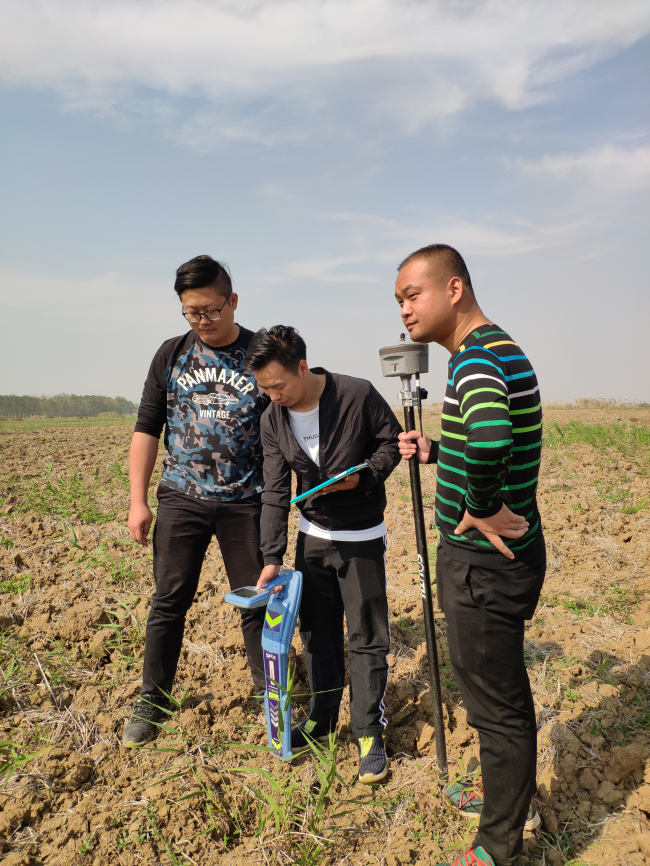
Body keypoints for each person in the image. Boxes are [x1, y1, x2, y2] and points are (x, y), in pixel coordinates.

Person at [394, 245, 545, 866]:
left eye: (412, 295)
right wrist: (438, 453)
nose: (404, 310)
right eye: (399, 301)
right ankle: (506, 794)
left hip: (484, 565)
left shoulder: (476, 359)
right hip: (501, 558)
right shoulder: (492, 349)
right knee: (492, 695)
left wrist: (478, 505)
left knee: (497, 707)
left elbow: (489, 440)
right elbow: (478, 440)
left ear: (453, 289)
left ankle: (497, 847)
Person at [122, 255, 269, 748]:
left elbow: (288, 420)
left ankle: (268, 694)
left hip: (246, 499)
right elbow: (147, 426)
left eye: (210, 310)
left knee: (255, 601)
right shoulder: (171, 354)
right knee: (169, 600)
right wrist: (137, 500)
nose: (202, 320)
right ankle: (153, 698)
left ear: (233, 301)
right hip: (182, 496)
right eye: (191, 312)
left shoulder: (259, 352)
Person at [245, 326, 402, 783]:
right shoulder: (273, 419)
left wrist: (364, 477)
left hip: (362, 537)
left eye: (279, 385)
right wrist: (271, 556)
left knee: (366, 635)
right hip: (312, 538)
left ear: (302, 367)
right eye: (264, 388)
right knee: (318, 633)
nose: (273, 395)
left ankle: (369, 732)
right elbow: (276, 490)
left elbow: (391, 443)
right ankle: (322, 717)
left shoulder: (357, 394)